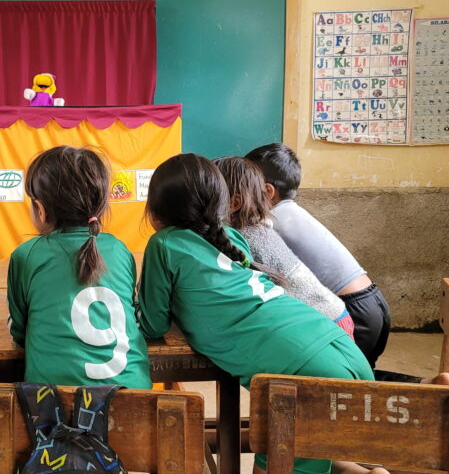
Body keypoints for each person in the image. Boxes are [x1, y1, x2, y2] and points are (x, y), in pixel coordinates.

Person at [136, 154, 378, 474]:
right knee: (318, 447)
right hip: (338, 346)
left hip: (301, 376)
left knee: (279, 461)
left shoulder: (163, 244)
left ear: (155, 211)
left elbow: (153, 324)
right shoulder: (233, 238)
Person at [7, 146, 151, 388]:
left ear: (40, 210)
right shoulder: (119, 249)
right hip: (133, 396)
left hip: (52, 409)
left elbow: (18, 333)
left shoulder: (26, 255)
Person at [245, 143, 391, 369]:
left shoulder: (272, 221)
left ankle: (428, 385)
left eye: (246, 185)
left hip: (353, 310)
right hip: (373, 303)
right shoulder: (293, 213)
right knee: (357, 383)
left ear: (267, 192)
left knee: (336, 384)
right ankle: (428, 384)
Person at [212, 156, 354, 338]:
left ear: (234, 203)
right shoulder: (257, 227)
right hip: (333, 315)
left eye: (209, 195)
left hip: (325, 323)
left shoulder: (243, 236)